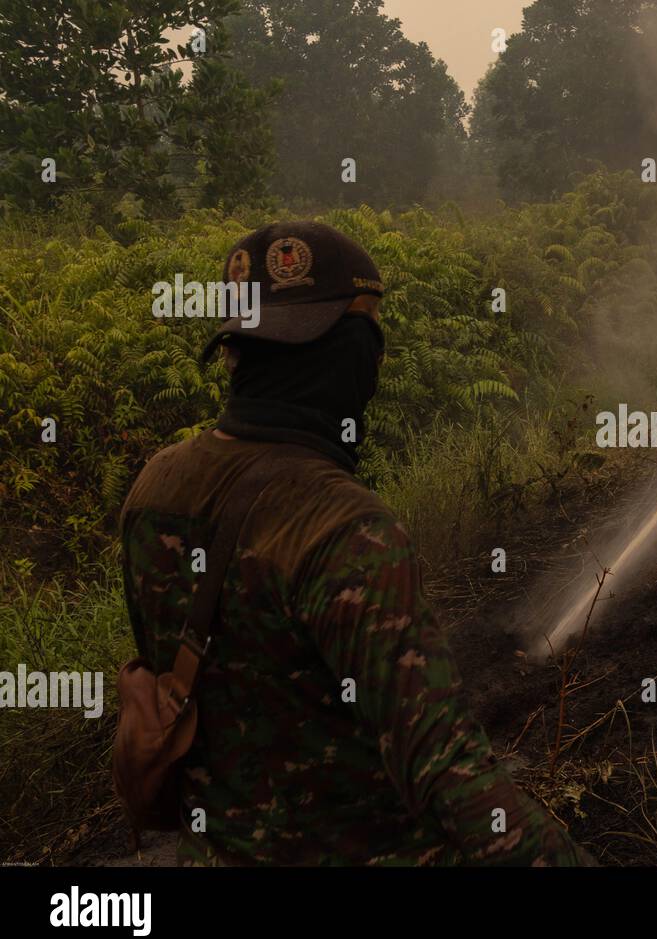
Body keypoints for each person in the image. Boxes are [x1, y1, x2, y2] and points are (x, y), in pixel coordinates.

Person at [120, 221, 585, 865]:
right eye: (371, 331)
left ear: (236, 353)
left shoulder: (152, 488)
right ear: (346, 351)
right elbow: (449, 772)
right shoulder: (348, 530)